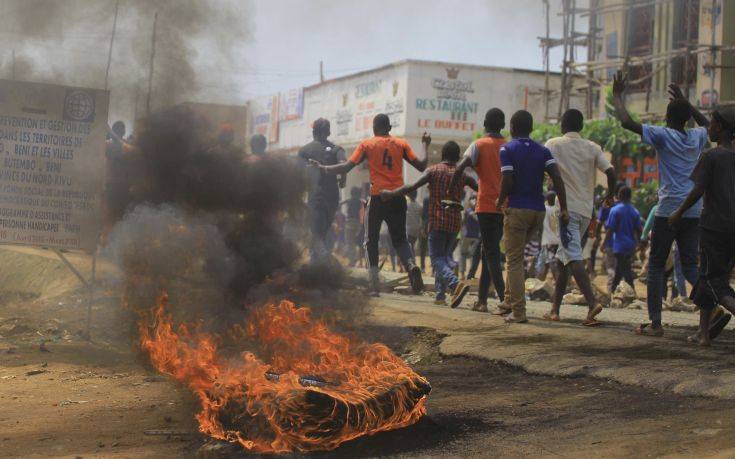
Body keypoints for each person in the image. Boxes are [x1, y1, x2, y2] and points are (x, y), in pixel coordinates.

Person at [612, 72, 709, 337]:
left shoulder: (663, 135)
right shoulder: (697, 136)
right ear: (687, 117)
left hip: (668, 210)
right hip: (694, 208)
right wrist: (689, 104)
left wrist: (617, 96)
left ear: (667, 118)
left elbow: (626, 121)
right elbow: (709, 125)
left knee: (656, 265)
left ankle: (656, 324)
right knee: (690, 265)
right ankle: (713, 306)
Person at [311, 114, 428, 295]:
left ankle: (374, 286)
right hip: (398, 197)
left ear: (374, 128)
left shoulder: (367, 144)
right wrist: (425, 145)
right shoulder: (401, 144)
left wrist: (323, 168)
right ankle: (411, 265)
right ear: (389, 128)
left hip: (378, 197)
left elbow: (346, 167)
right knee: (400, 240)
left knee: (370, 241)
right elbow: (421, 165)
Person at [381, 141, 478, 308]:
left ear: (442, 155)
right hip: (454, 223)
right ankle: (440, 295)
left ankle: (455, 284)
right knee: (443, 258)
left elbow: (411, 186)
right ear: (457, 157)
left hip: (438, 221)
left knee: (437, 260)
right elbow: (481, 189)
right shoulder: (463, 175)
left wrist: (390, 193)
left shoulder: (433, 171)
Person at [669, 106, 735, 346]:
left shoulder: (711, 156)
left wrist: (678, 212)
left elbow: (698, 190)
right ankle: (703, 333)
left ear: (720, 128)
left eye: (712, 124)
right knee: (710, 278)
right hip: (731, 229)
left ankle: (704, 331)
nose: (709, 128)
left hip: (713, 228)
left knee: (714, 283)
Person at [495, 110, 569, 323]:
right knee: (516, 258)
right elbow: (557, 177)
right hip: (537, 212)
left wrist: (500, 201)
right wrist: (563, 208)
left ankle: (518, 312)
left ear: (512, 127)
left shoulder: (507, 149)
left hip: (517, 209)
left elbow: (507, 179)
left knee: (514, 260)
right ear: (531, 128)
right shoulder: (543, 151)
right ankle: (508, 300)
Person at [544, 108, 616, 325]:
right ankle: (555, 310)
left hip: (567, 211)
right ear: (581, 126)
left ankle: (592, 303)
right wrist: (609, 196)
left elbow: (545, 171)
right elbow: (611, 172)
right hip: (586, 211)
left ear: (562, 125)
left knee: (573, 256)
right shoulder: (592, 147)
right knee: (563, 259)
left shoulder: (553, 144)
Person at [450, 108, 507, 312]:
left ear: (484, 123)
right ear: (503, 125)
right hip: (504, 206)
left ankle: (504, 298)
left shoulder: (479, 145)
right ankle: (482, 301)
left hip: (485, 206)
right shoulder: (508, 146)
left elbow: (459, 168)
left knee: (491, 253)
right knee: (487, 251)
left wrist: (451, 190)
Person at [298, 118, 346, 262]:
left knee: (316, 233)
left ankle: (325, 259)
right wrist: (343, 180)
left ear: (314, 132)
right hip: (332, 198)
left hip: (315, 197)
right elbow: (344, 165)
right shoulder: (338, 149)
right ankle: (317, 266)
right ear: (329, 132)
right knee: (323, 231)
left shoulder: (304, 151)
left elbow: (297, 175)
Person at [603, 186, 642, 293]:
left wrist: (604, 243)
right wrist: (640, 244)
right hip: (630, 245)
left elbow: (610, 229)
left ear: (619, 196)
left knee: (625, 269)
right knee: (620, 269)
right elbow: (639, 230)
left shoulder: (615, 210)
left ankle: (632, 291)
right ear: (630, 196)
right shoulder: (635, 211)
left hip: (619, 245)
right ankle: (613, 290)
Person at [537, 191, 560, 282]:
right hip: (557, 241)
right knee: (546, 262)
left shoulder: (544, 209)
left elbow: (539, 225)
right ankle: (540, 284)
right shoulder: (558, 210)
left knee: (551, 262)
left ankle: (558, 283)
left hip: (547, 240)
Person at [341, 186, 365, 266]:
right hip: (358, 223)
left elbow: (340, 203)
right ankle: (356, 260)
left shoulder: (349, 200)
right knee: (357, 243)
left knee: (350, 243)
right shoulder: (360, 201)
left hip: (350, 223)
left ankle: (353, 259)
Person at [460, 195, 481, 280]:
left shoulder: (468, 211)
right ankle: (467, 274)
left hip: (469, 236)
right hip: (473, 236)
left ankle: (463, 273)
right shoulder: (475, 211)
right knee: (471, 255)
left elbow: (463, 222)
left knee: (464, 255)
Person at [406, 190, 423, 260]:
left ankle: (412, 261)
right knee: (412, 245)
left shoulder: (407, 205)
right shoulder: (419, 206)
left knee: (410, 246)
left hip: (408, 229)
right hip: (416, 229)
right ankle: (412, 260)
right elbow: (421, 217)